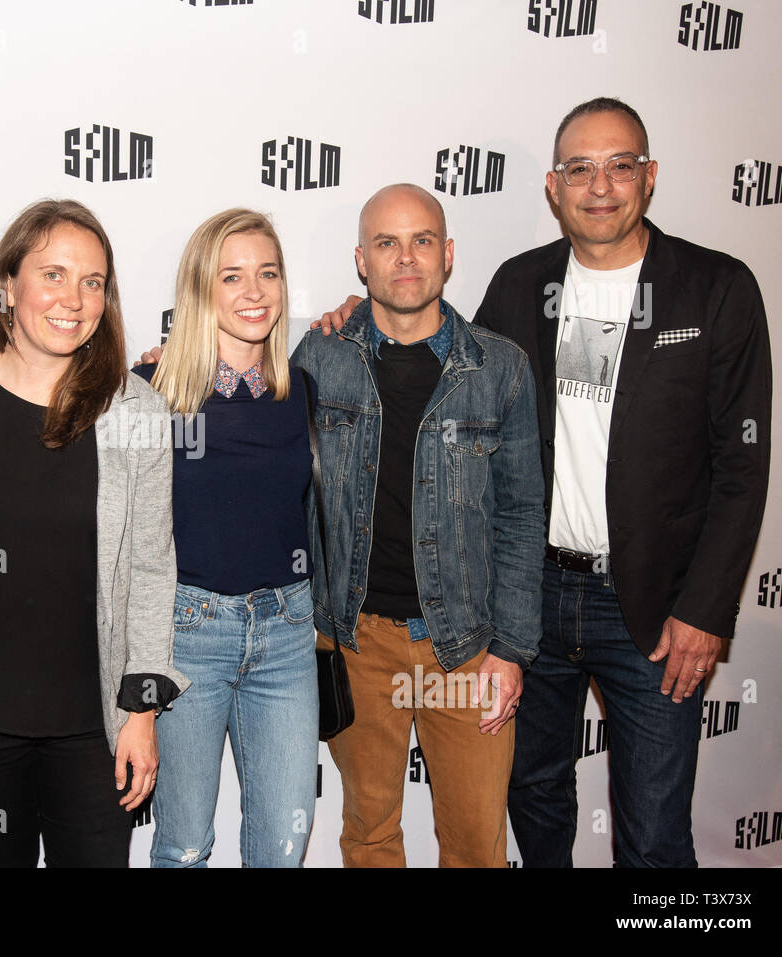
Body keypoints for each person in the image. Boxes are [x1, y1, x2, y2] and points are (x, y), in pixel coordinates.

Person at [472, 98, 771, 867]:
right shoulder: (519, 286)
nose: (600, 185)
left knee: (654, 836)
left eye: (620, 164)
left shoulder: (716, 287)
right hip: (532, 599)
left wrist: (706, 609)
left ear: (650, 176)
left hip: (658, 610)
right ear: (552, 185)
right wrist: (355, 319)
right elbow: (452, 385)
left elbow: (742, 465)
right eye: (580, 168)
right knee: (533, 797)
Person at [0, 199, 187, 868]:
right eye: (54, 274)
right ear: (8, 286)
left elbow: (151, 565)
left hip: (91, 728)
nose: (75, 298)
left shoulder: (135, 409)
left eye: (93, 281)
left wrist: (142, 712)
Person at [292, 184, 544, 867]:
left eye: (422, 240)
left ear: (448, 254)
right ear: (361, 262)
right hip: (356, 642)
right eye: (386, 243)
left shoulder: (501, 369)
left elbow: (524, 516)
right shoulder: (319, 359)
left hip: (466, 647)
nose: (406, 258)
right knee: (369, 837)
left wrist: (512, 649)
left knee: (474, 844)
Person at [133, 209, 318, 868]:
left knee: (284, 845)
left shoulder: (303, 390)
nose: (254, 291)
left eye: (267, 273)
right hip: (188, 637)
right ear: (199, 289)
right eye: (231, 275)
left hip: (289, 633)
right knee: (183, 846)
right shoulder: (149, 394)